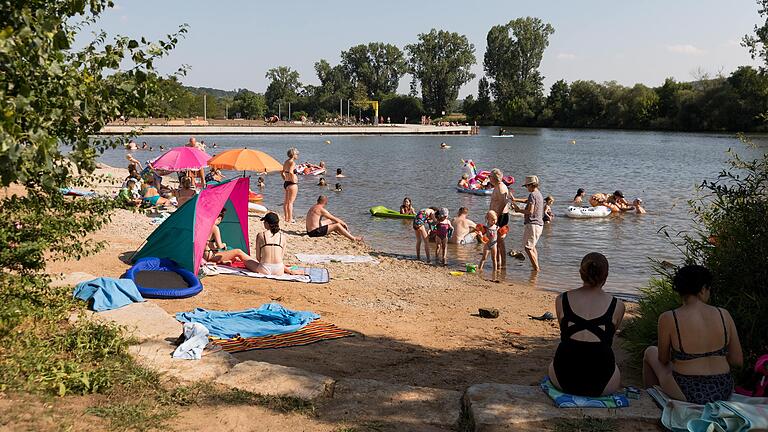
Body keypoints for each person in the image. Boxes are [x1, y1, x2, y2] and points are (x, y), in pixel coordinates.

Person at [642, 265, 743, 404]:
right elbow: (737, 360)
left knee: (650, 352)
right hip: (723, 388)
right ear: (702, 290)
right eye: (709, 289)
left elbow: (663, 359)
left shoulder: (669, 318)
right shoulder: (723, 314)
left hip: (687, 389)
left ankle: (650, 401)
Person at [548, 253, 625, 396]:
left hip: (563, 378)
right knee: (613, 365)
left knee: (555, 362)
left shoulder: (562, 299)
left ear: (580, 273)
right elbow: (608, 339)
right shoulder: (617, 305)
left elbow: (566, 335)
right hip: (603, 382)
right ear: (606, 276)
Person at [512, 175, 544, 272]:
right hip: (538, 224)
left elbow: (530, 211)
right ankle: (536, 267)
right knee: (532, 247)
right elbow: (528, 201)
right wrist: (516, 199)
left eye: (526, 186)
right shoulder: (538, 194)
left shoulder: (532, 195)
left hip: (533, 224)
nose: (526, 188)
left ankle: (536, 269)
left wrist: (518, 210)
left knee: (528, 248)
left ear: (531, 185)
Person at [489, 169, 510, 267]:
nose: (489, 178)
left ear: (495, 178)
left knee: (500, 241)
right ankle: (498, 262)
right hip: (496, 216)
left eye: (490, 177)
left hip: (501, 216)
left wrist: (497, 216)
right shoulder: (497, 186)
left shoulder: (501, 187)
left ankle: (503, 264)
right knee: (495, 240)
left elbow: (503, 203)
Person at [281, 148, 300, 223]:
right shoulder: (292, 163)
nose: (298, 156)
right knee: (290, 202)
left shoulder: (286, 162)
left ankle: (286, 218)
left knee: (286, 202)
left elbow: (282, 172)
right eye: (297, 154)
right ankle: (290, 219)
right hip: (292, 184)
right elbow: (291, 172)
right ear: (293, 155)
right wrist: (293, 180)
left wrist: (285, 179)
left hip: (286, 183)